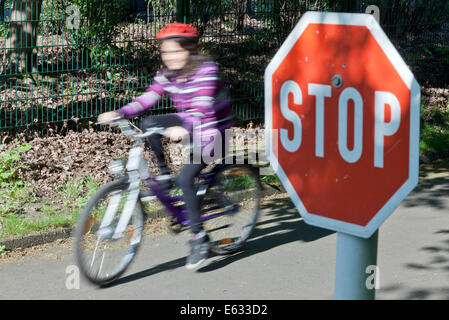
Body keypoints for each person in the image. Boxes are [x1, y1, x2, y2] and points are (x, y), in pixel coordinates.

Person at [97, 22, 234, 270]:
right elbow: (148, 97)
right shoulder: (167, 74)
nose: (169, 57)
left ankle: (199, 239)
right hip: (191, 123)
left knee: (186, 180)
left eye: (175, 51)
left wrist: (185, 128)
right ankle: (163, 173)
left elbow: (201, 107)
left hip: (216, 130)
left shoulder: (206, 70)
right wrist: (120, 113)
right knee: (149, 122)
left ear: (191, 49)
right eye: (165, 52)